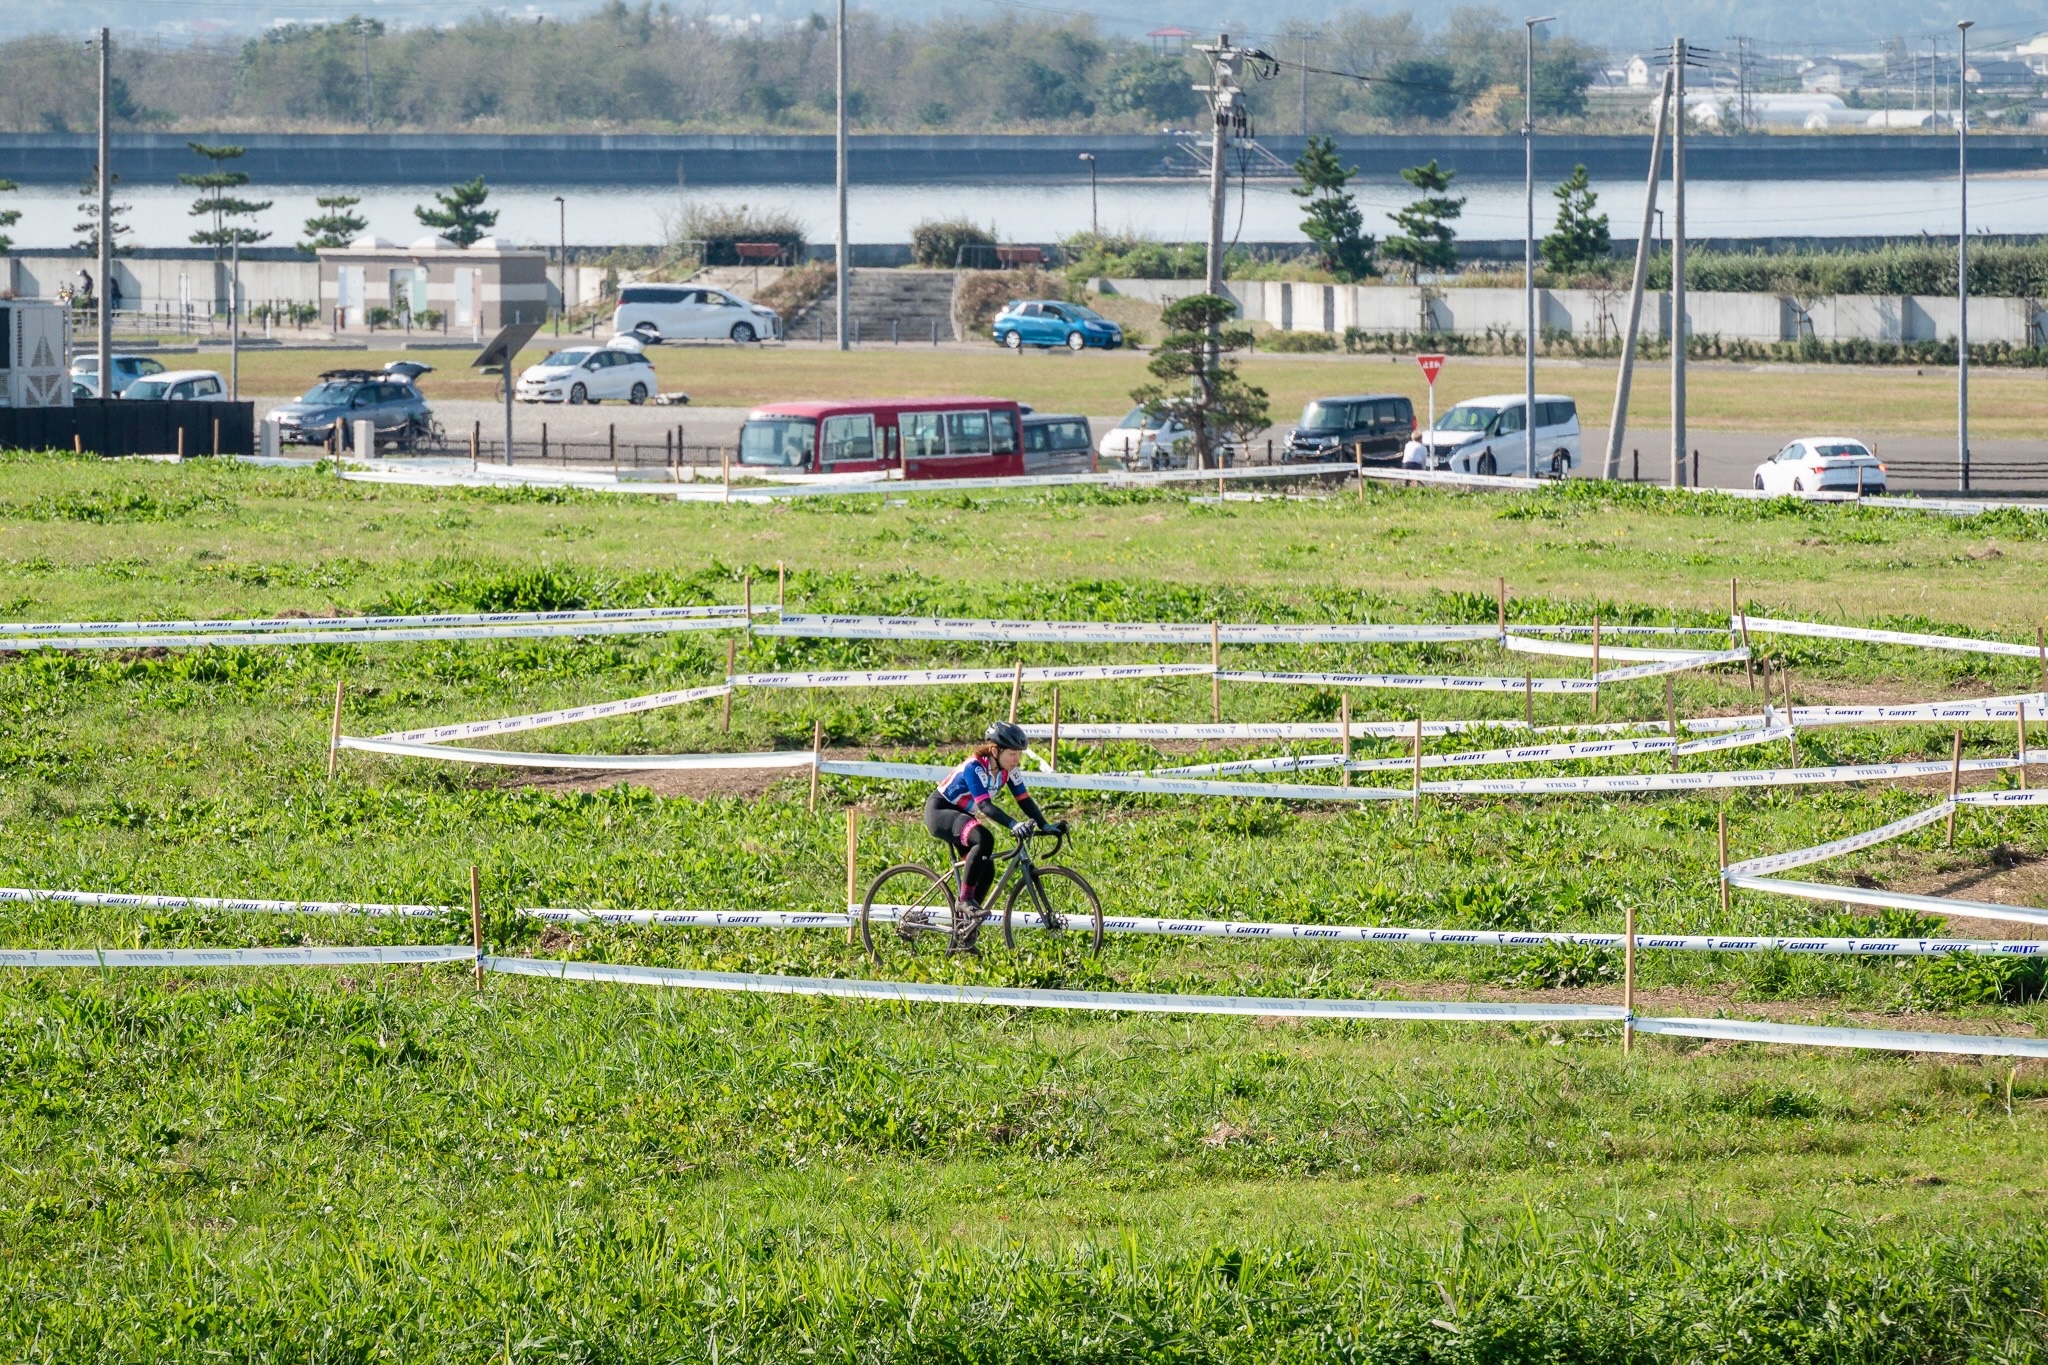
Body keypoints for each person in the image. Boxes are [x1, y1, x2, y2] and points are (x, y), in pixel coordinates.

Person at [924, 720, 1064, 953]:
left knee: (986, 868)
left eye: (1019, 754)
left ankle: (965, 931)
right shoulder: (974, 767)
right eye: (1012, 754)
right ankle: (964, 901)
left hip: (963, 814)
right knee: (984, 839)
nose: (1016, 759)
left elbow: (1024, 800)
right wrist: (1013, 824)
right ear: (995, 750)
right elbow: (984, 805)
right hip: (941, 811)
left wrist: (1045, 825)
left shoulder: (1009, 771)